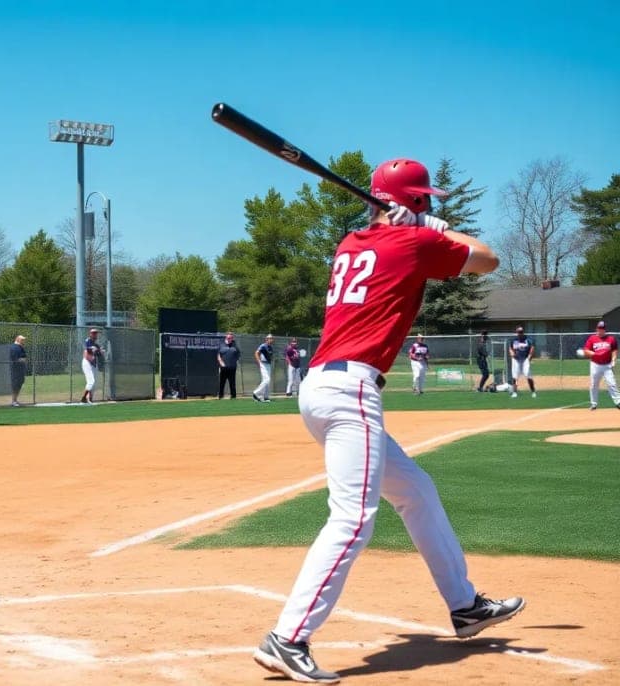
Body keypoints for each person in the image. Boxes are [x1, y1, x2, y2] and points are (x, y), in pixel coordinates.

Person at [252, 158, 524, 684]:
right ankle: (288, 637)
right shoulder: (414, 243)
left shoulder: (351, 244)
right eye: (428, 200)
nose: (433, 206)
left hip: (322, 388)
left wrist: (413, 222)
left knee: (415, 490)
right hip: (352, 389)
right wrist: (430, 228)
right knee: (353, 519)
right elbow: (488, 260)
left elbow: (389, 243)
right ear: (416, 202)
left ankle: (464, 605)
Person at [582, 321, 620, 411]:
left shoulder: (611, 339)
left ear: (605, 330)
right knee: (593, 384)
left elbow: (614, 350)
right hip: (595, 365)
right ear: (596, 329)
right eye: (599, 328)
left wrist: (614, 359)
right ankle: (594, 404)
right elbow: (586, 350)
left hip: (607, 365)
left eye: (602, 329)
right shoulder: (592, 339)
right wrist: (594, 354)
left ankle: (618, 402)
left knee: (612, 383)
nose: (600, 330)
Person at [508, 326, 536, 398]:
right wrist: (512, 353)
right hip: (516, 359)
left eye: (521, 332)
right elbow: (510, 348)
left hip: (525, 359)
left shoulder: (528, 339)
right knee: (515, 376)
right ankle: (514, 392)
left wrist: (530, 356)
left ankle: (533, 391)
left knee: (528, 374)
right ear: (516, 332)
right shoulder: (513, 340)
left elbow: (532, 347)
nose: (520, 333)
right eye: (519, 332)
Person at [81, 328, 103, 404]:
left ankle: (89, 399)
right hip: (87, 363)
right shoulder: (88, 341)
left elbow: (99, 354)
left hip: (93, 364)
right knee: (91, 381)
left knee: (93, 383)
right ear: (90, 334)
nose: (95, 334)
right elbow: (88, 349)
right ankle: (83, 398)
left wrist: (100, 352)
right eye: (93, 333)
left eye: (96, 333)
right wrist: (97, 350)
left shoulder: (96, 344)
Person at [216, 332, 240, 399]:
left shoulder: (235, 346)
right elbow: (218, 356)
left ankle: (233, 397)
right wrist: (221, 362)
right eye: (228, 337)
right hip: (223, 368)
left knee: (232, 383)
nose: (229, 339)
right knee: (222, 383)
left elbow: (238, 356)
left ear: (232, 338)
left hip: (232, 368)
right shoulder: (221, 345)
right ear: (226, 337)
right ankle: (220, 396)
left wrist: (234, 362)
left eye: (231, 338)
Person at [253, 334, 274, 402]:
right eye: (269, 338)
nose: (271, 339)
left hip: (268, 365)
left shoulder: (271, 347)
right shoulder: (263, 345)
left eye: (271, 338)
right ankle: (256, 393)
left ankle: (266, 396)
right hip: (263, 364)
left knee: (267, 381)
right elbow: (256, 353)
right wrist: (259, 362)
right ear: (266, 339)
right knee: (267, 379)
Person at [9, 335, 28, 406]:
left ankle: (15, 400)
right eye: (22, 340)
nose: (23, 341)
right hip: (16, 370)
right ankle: (14, 401)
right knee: (16, 385)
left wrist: (23, 359)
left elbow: (23, 357)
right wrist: (22, 360)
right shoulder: (14, 347)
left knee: (19, 384)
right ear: (18, 339)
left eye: (23, 340)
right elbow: (15, 359)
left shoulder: (20, 347)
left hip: (20, 369)